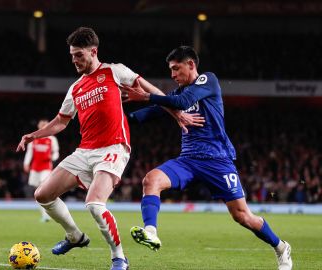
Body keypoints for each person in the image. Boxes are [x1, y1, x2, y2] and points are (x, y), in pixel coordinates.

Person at [17, 27, 202, 270]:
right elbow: (61, 121)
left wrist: (176, 113)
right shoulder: (75, 88)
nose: (74, 60)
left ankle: (119, 258)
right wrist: (33, 135)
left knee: (94, 204)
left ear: (93, 51)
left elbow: (152, 90)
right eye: (72, 55)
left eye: (79, 55)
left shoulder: (115, 71)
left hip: (113, 148)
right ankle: (74, 236)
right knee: (42, 194)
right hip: (84, 151)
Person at [123, 46, 292, 270]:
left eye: (176, 69)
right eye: (171, 70)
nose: (172, 75)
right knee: (151, 180)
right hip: (188, 161)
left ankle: (281, 247)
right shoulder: (175, 95)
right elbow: (148, 114)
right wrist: (117, 117)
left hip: (217, 161)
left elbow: (182, 103)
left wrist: (146, 96)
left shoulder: (207, 80)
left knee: (242, 216)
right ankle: (151, 232)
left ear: (191, 65)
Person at [23, 119, 60, 222]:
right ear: (39, 127)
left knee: (43, 189)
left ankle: (51, 212)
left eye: (45, 125)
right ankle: (45, 215)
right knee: (37, 194)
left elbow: (56, 152)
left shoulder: (52, 139)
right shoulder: (34, 138)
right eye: (42, 125)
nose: (43, 127)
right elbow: (29, 152)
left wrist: (52, 157)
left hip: (46, 167)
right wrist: (26, 163)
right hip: (35, 168)